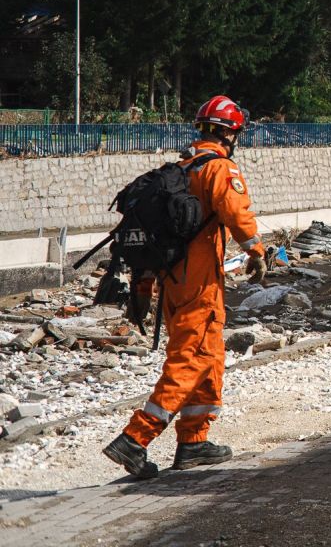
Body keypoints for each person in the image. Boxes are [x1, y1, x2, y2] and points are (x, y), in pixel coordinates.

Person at [103, 95, 269, 479]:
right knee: (191, 359)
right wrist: (256, 251)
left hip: (171, 282)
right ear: (231, 134)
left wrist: (142, 286)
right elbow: (237, 213)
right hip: (199, 282)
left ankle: (194, 441)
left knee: (208, 357)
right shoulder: (219, 170)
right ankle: (134, 438)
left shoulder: (179, 171)